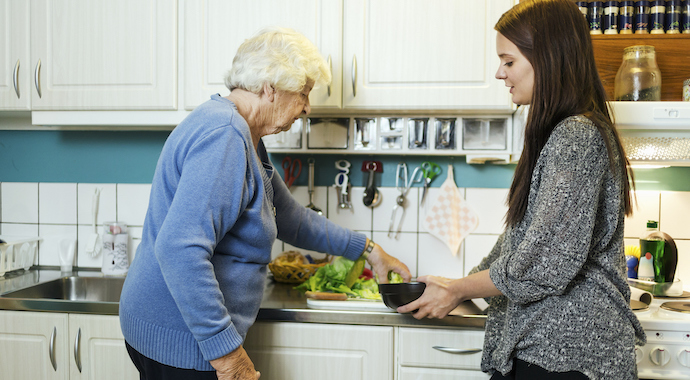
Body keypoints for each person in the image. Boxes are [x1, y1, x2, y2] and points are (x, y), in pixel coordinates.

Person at [119, 27, 411, 380]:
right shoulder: (225, 135)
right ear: (270, 87)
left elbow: (292, 220)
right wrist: (228, 356)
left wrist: (369, 250)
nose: (307, 107)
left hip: (172, 330)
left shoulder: (242, 134)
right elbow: (180, 249)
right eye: (303, 93)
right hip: (182, 340)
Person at [398, 1, 646, 379]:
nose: (499, 73)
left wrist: (460, 289)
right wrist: (454, 286)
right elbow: (520, 242)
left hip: (570, 353)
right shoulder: (560, 133)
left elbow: (541, 263)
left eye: (508, 61)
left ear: (546, 58)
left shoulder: (575, 137)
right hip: (550, 347)